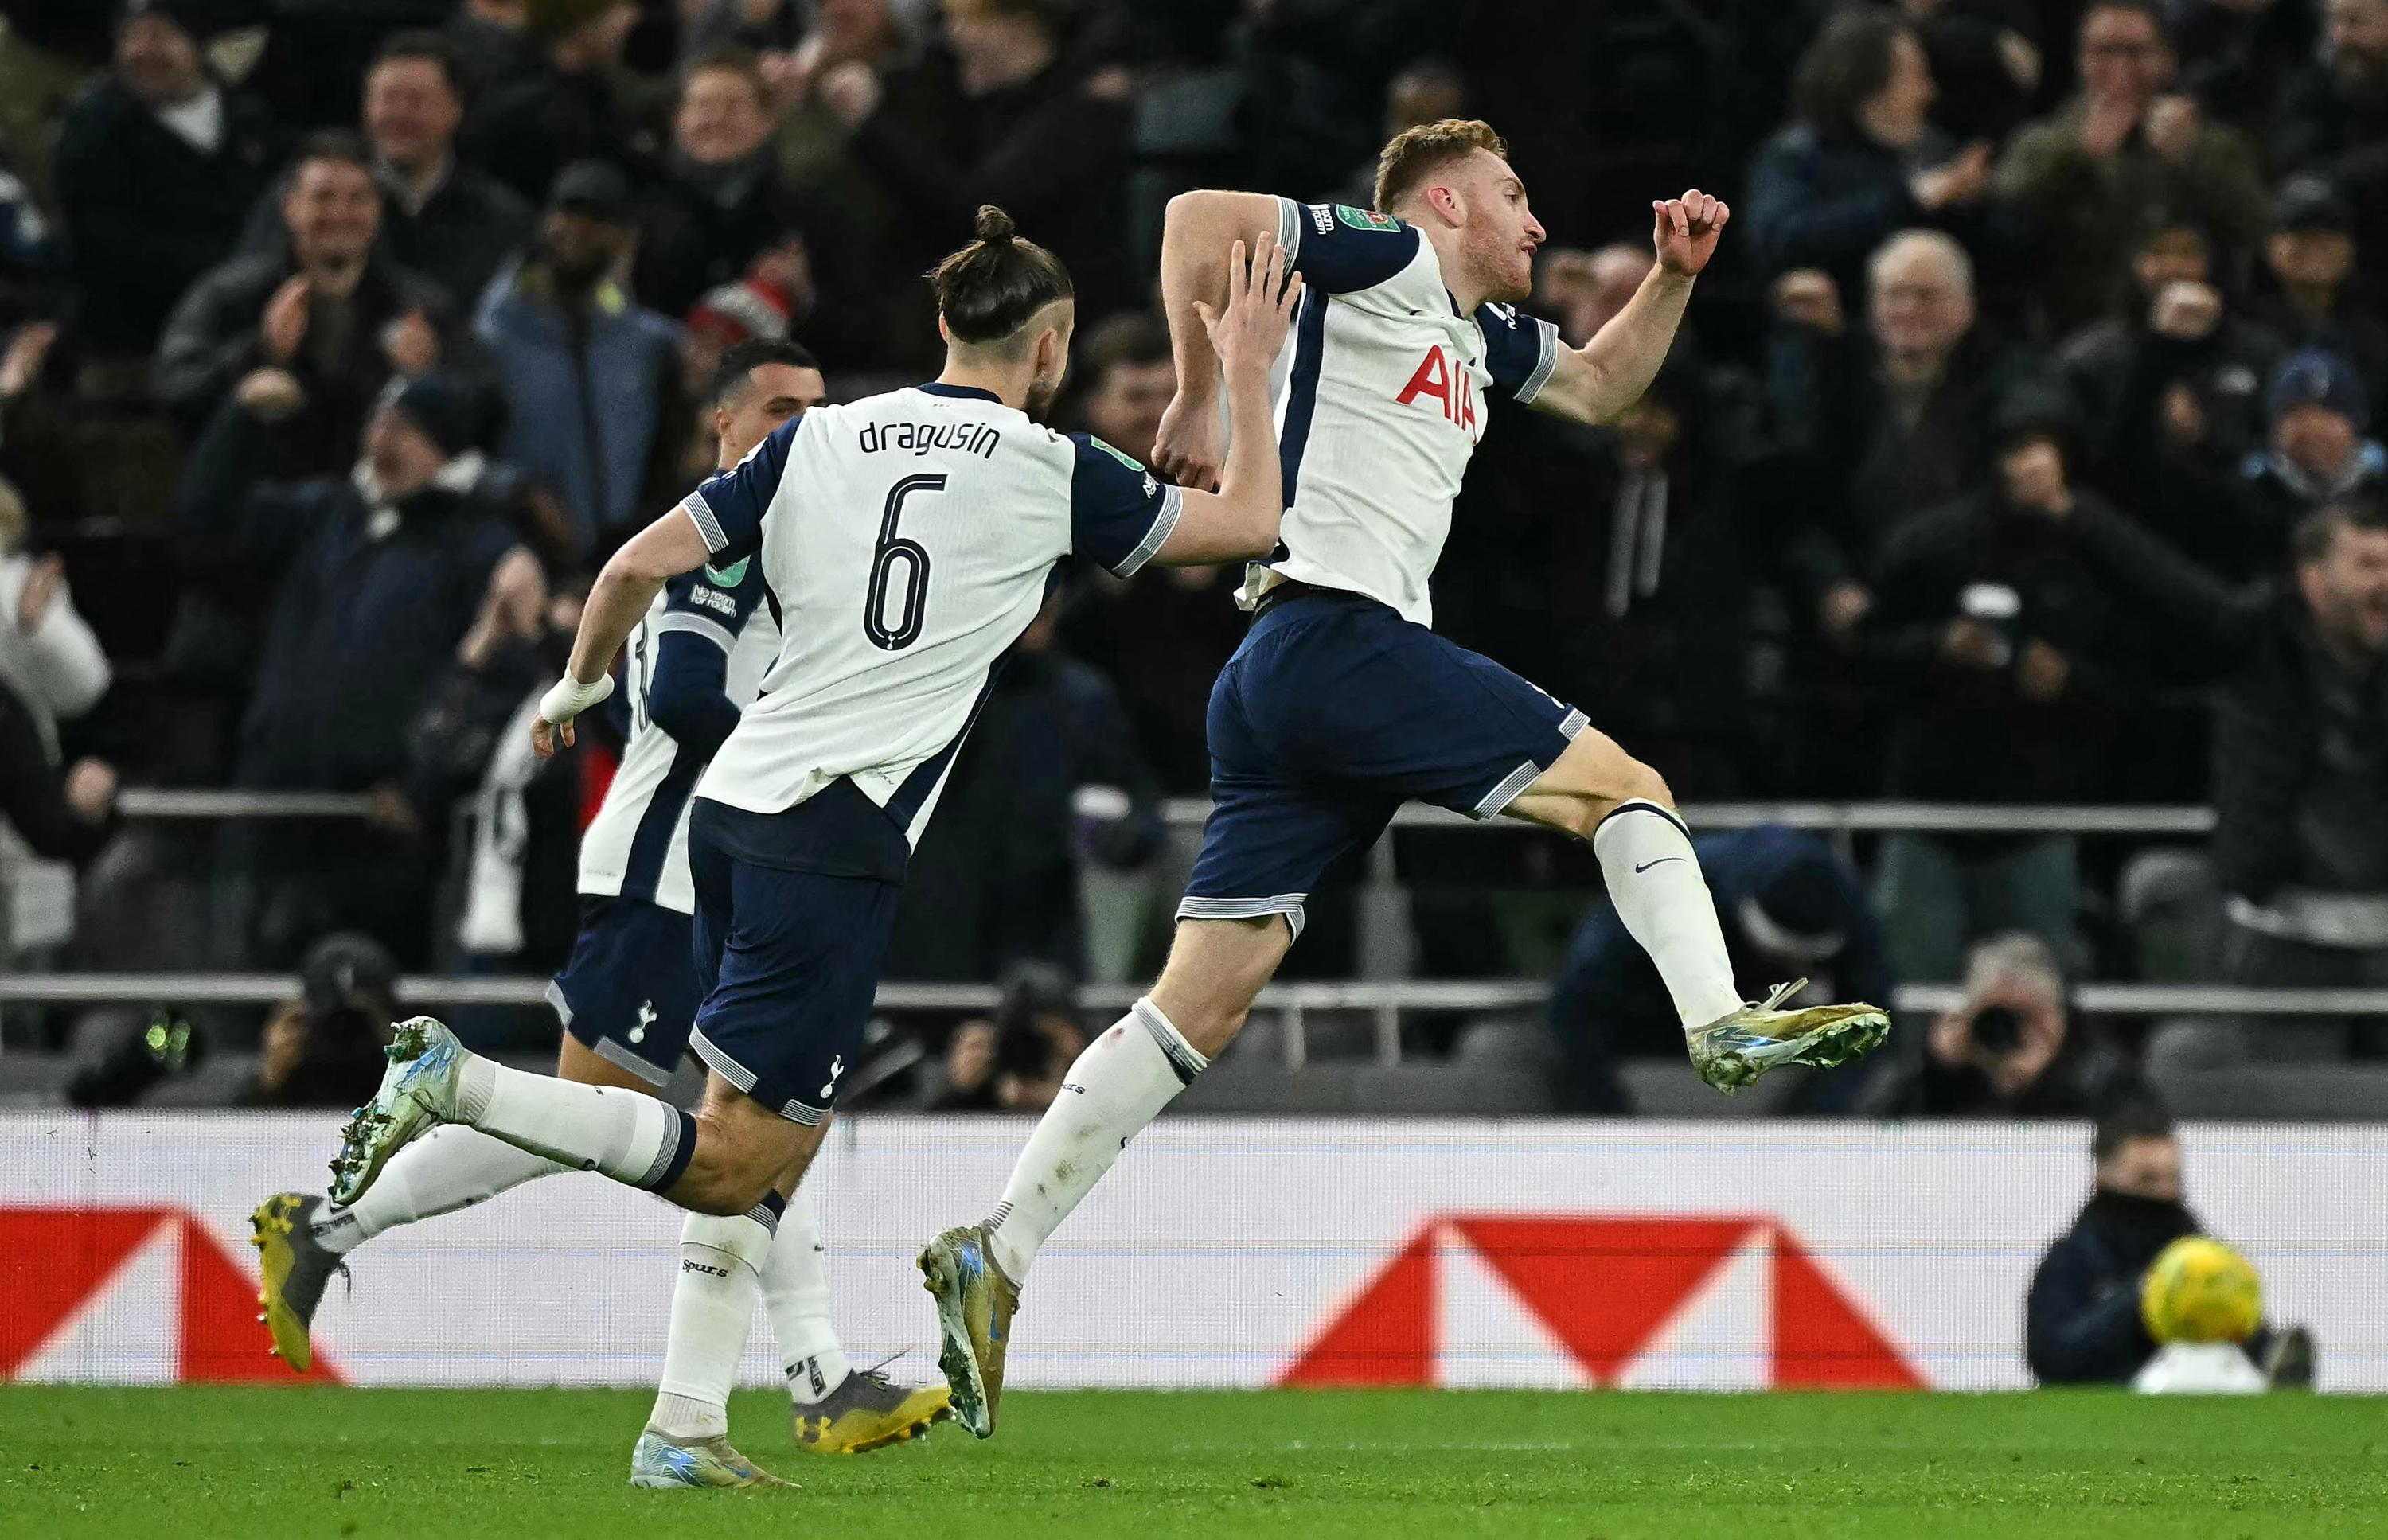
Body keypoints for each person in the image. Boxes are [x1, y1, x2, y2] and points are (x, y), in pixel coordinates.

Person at [921, 119, 1891, 1440]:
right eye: (1514, 194)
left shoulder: (1482, 338)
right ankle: (1717, 1017)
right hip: (1341, 634)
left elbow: (1605, 391)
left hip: (1283, 678)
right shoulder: (1380, 257)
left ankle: (1000, 1248)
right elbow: (1200, 214)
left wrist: (1674, 277)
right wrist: (1201, 392)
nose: (1536, 223)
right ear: (1445, 201)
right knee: (1626, 786)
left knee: (1196, 1007)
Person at [319, 206, 1297, 1473]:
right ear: (1051, 348)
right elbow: (1251, 527)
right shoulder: (1055, 466)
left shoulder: (819, 439)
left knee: (768, 1124)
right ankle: (458, 1083)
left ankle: (684, 1423)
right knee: (733, 1161)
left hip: (735, 811)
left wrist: (573, 686)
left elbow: (625, 568)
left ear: (943, 324)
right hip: (831, 835)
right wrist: (1254, 378)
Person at [252, 337, 949, 1476]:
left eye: (817, 411)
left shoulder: (798, 537)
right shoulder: (714, 541)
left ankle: (811, 1380)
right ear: (717, 426)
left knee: (759, 1113)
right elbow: (680, 686)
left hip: (727, 868)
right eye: (777, 409)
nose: (802, 430)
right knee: (626, 1114)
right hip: (671, 871)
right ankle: (352, 1203)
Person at [1860, 398, 2154, 982]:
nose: (2031, 467)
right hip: (1927, 816)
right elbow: (1858, 656)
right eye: (2018, 449)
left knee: (2034, 998)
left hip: (2037, 820)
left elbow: (2137, 686)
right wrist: (1936, 645)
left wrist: (2070, 681)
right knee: (1911, 996)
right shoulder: (1929, 543)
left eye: (2045, 450)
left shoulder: (2102, 554)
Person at [2149, 499, 2388, 1070]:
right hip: (2286, 941)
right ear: (2313, 576)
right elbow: (2167, 595)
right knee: (2294, 1133)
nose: (2387, 583)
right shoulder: (2256, 651)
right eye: (2369, 565)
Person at [158, 133, 455, 481]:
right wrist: (260, 351)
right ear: (290, 207)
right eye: (323, 198)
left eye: (358, 199)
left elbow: (484, 399)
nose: (340, 214)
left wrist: (430, 375)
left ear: (378, 209)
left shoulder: (419, 305)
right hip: (255, 500)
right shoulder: (229, 294)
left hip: (375, 506)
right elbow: (176, 388)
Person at [1548, 825, 1894, 1113]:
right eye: (1780, 957)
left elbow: (1871, 1016)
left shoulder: (1845, 907)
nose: (1793, 968)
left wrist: (1821, 1121)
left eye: (1806, 963)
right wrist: (1614, 1119)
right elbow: (1576, 1005)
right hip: (1646, 1033)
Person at [1994, 0, 2271, 337]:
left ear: (2167, 60)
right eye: (2104, 52)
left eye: (2136, 53)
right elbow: (2005, 232)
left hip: (2195, 331)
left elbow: (2261, 234)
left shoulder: (2211, 144)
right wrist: (2076, 159)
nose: (2120, 69)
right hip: (2073, 333)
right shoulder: (2043, 143)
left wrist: (2191, 160)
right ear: (2081, 61)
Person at [475, 162, 686, 559]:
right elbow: (458, 454)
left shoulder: (647, 345)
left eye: (598, 220)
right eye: (569, 214)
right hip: (516, 558)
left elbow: (665, 459)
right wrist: (522, 495)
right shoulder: (493, 335)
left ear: (623, 239)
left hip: (621, 560)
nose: (579, 230)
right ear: (545, 222)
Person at [52, 0, 280, 357]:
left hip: (238, 334)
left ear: (197, 42)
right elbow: (104, 239)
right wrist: (223, 273)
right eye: (131, 37)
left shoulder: (249, 118)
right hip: (131, 343)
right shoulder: (94, 126)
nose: (142, 51)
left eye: (159, 36)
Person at [2026, 1105, 2309, 1385]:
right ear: (2102, 1181)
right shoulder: (2073, 1260)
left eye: (2174, 1179)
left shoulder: (2200, 1255)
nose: (2165, 1193)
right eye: (2147, 1179)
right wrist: (2148, 1292)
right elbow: (2052, 1359)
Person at [1743, 8, 1992, 304]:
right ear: (1868, 86)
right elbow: (1780, 241)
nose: (1928, 92)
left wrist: (1974, 201)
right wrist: (1911, 200)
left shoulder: (1934, 151)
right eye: (1915, 76)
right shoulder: (1797, 156)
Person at [353, 32, 536, 310]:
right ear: (367, 106)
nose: (400, 114)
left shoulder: (504, 220)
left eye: (416, 101)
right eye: (388, 98)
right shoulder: (322, 205)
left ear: (454, 109)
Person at [1861, 934, 2123, 1117]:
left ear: (2056, 1013)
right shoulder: (1943, 1070)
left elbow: (2122, 1154)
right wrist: (1933, 1068)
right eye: (1998, 1013)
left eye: (2027, 1015)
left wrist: (2044, 1082)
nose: (2010, 1029)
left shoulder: (2101, 1076)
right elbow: (1866, 1132)